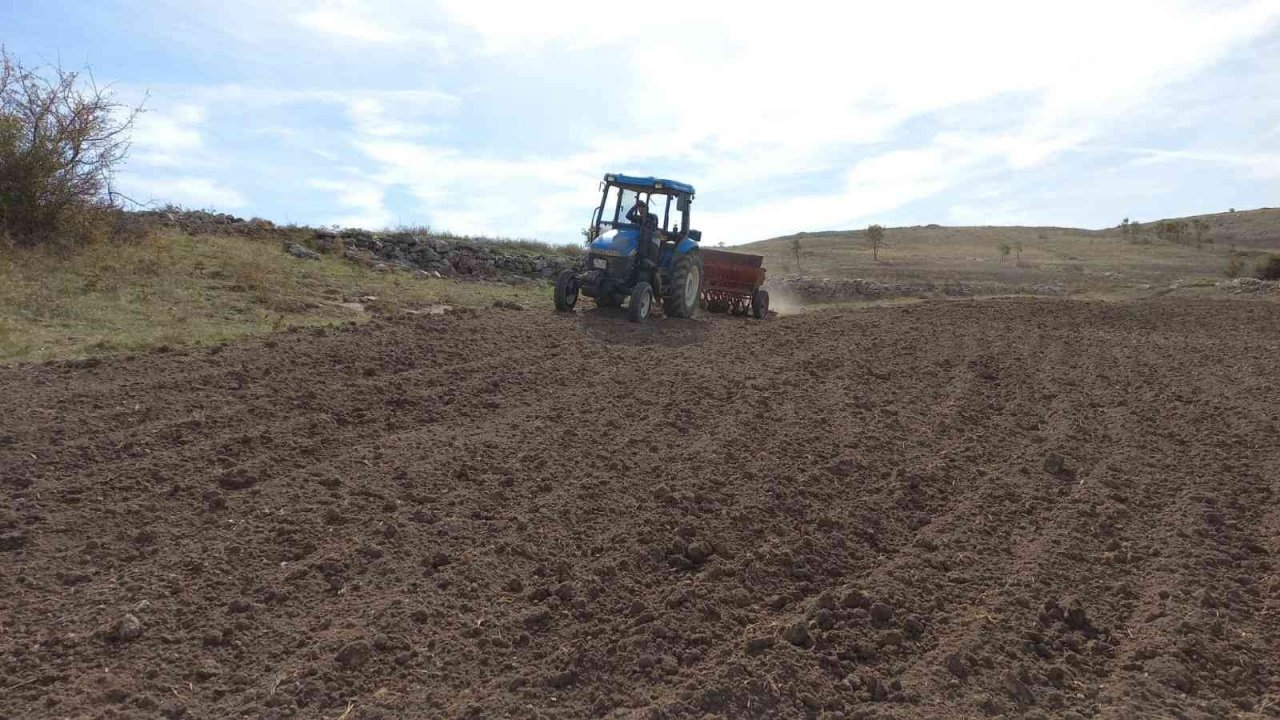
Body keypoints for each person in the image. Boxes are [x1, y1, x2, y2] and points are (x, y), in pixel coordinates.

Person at [626, 195, 660, 270]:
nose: (640, 211)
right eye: (639, 209)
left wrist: (644, 218)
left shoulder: (653, 217)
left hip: (652, 237)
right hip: (642, 238)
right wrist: (635, 206)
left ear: (646, 209)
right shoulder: (638, 218)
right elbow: (628, 216)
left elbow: (652, 225)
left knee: (653, 242)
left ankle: (651, 264)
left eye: (642, 209)